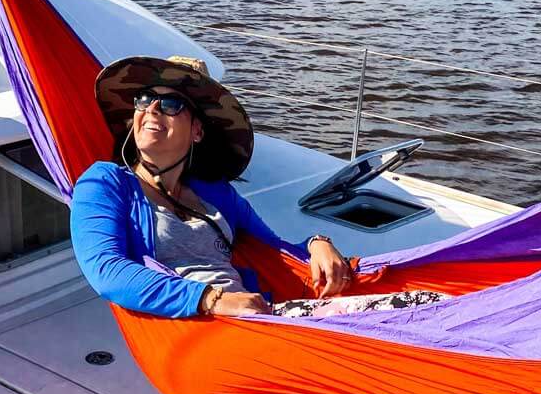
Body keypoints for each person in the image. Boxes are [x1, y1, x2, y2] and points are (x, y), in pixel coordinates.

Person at [70, 55, 445, 320]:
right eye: (144, 100)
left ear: (198, 131)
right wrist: (210, 300)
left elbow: (276, 249)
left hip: (256, 318)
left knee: (426, 303)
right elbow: (108, 270)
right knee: (408, 313)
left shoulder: (214, 193)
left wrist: (317, 241)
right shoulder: (106, 183)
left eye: (170, 105)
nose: (151, 110)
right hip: (205, 325)